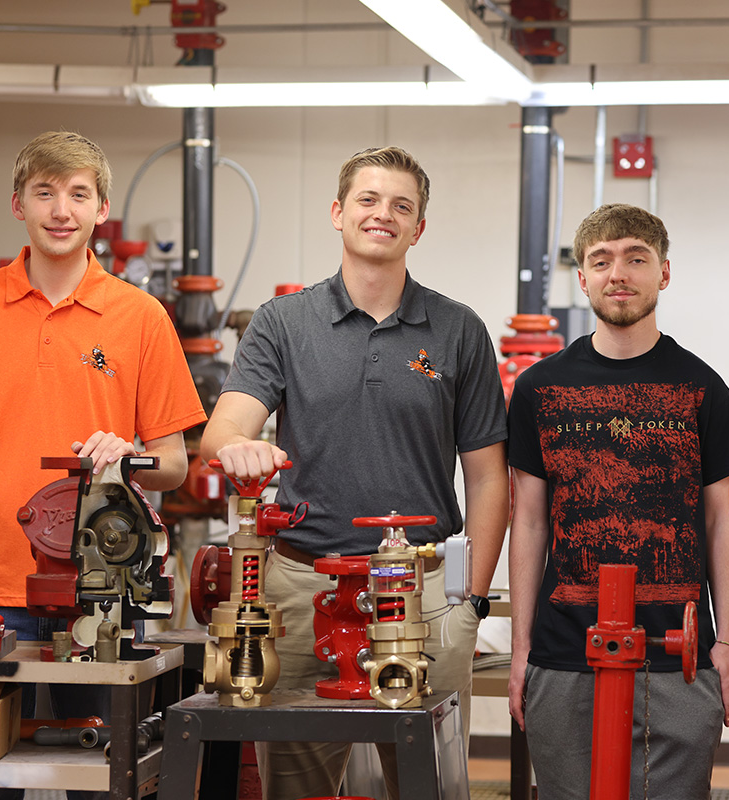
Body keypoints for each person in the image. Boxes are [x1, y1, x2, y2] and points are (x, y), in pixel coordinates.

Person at [0, 130, 207, 798]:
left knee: (99, 777)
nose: (60, 209)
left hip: (94, 593)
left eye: (77, 194)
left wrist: (130, 457)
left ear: (102, 208)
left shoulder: (142, 317)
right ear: (19, 204)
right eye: (45, 192)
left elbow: (175, 465)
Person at [200, 145, 509, 800]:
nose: (383, 215)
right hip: (303, 586)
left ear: (418, 228)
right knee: (297, 790)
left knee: (429, 786)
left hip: (423, 592)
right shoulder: (283, 324)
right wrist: (238, 448)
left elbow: (487, 478)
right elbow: (221, 430)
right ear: (339, 213)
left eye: (402, 206)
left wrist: (471, 601)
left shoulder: (458, 331)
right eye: (368, 200)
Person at [507, 203, 729, 800]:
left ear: (663, 273)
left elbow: (719, 522)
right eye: (602, 260)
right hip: (564, 652)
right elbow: (530, 524)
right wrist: (521, 651)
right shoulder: (540, 389)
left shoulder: (702, 386)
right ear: (584, 277)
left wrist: (727, 643)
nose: (619, 273)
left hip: (679, 655)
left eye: (636, 258)